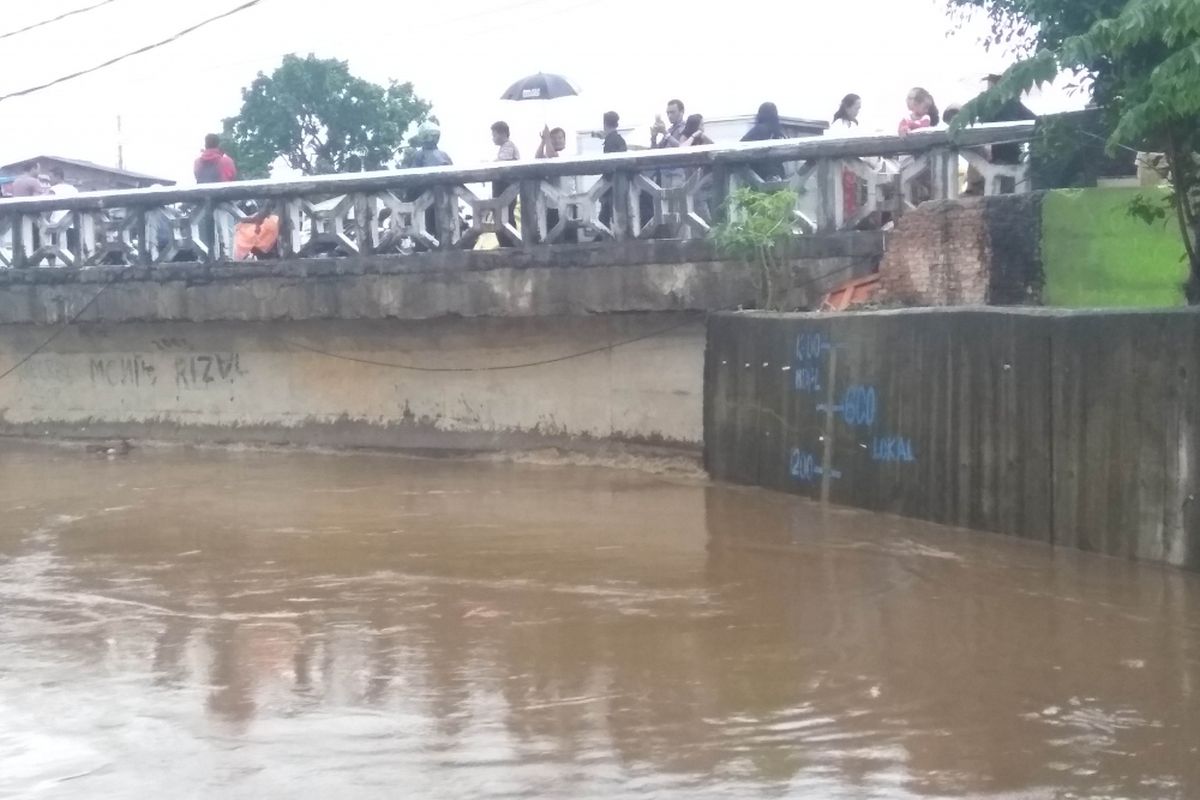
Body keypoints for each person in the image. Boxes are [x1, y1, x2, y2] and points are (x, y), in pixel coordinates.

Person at [194, 134, 238, 260]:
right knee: (226, 232)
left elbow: (197, 176)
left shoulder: (198, 162)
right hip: (223, 202)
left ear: (205, 144)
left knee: (208, 233)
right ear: (218, 144)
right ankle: (229, 259)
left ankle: (208, 258)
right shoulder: (226, 161)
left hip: (204, 204)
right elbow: (232, 177)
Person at [741, 102, 789, 181]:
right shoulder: (778, 131)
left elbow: (741, 146)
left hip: (759, 173)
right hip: (778, 173)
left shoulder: (758, 129)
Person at [598, 112, 626, 232]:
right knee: (615, 214)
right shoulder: (619, 139)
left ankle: (603, 238)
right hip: (621, 183)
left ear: (604, 124)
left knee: (604, 215)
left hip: (611, 185)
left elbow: (608, 165)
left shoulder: (609, 141)